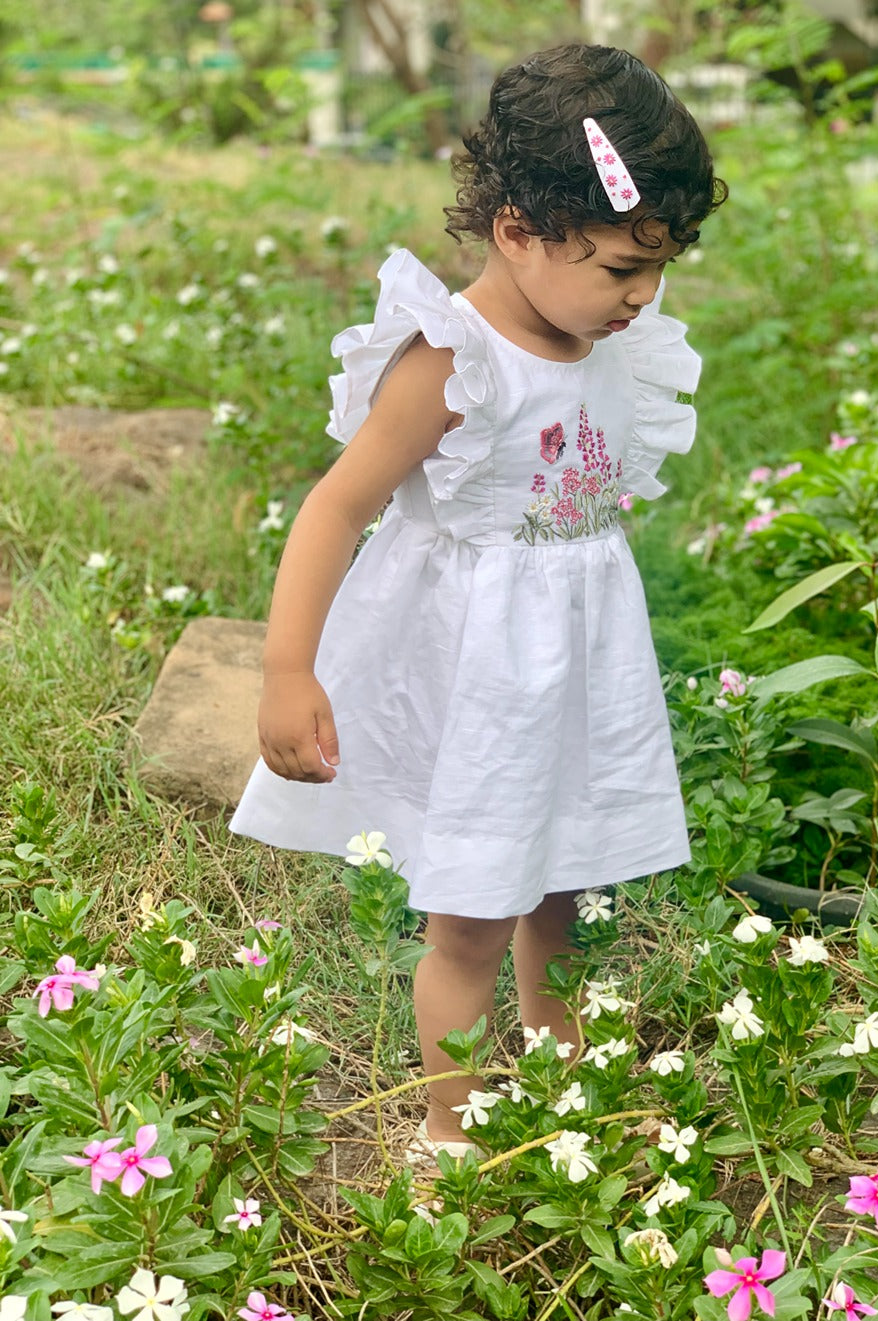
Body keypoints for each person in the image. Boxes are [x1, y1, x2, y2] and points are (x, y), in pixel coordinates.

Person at [230, 42, 726, 1161]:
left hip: (575, 668)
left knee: (567, 896)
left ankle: (558, 1096)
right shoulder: (452, 362)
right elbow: (334, 508)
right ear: (516, 231)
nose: (640, 296)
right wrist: (284, 668)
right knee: (471, 914)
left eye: (659, 266)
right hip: (480, 679)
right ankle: (451, 1129)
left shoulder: (611, 340)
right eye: (614, 267)